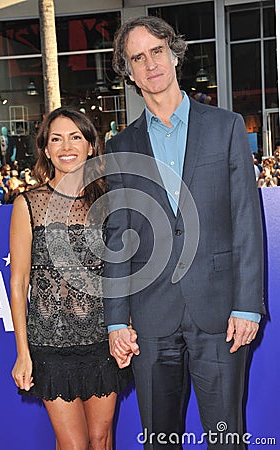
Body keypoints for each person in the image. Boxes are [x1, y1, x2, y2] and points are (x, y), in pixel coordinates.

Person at [103, 16, 265, 450]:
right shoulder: (120, 147)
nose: (150, 63)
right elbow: (118, 238)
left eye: (157, 51)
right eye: (137, 57)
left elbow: (247, 220)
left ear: (173, 54)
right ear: (129, 71)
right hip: (151, 319)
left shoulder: (225, 126)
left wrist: (248, 305)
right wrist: (117, 319)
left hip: (220, 314)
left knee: (226, 439)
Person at [10, 107, 133, 450]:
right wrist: (23, 353)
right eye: (56, 138)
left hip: (102, 341)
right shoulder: (28, 204)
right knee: (74, 444)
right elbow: (19, 284)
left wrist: (126, 325)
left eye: (76, 136)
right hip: (50, 346)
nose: (67, 145)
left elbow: (122, 272)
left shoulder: (108, 201)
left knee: (100, 438)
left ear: (91, 146)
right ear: (46, 149)